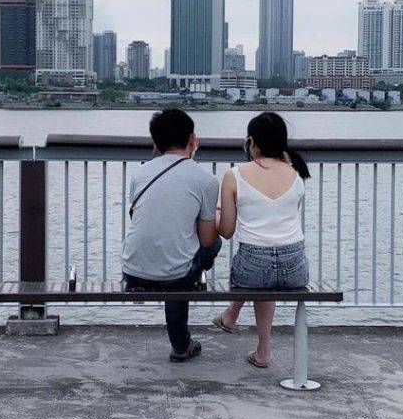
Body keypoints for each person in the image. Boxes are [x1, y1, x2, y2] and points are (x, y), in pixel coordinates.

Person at [212, 112, 310, 368]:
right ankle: (260, 348)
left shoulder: (235, 175)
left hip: (254, 266)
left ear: (251, 142)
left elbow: (227, 231)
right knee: (266, 262)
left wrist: (218, 213)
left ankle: (234, 317)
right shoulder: (297, 174)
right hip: (295, 266)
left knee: (256, 264)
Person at [121, 108, 221, 362]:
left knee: (174, 253)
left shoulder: (139, 174)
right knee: (202, 249)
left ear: (155, 144)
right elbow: (208, 240)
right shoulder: (205, 179)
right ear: (193, 140)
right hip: (175, 276)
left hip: (132, 271)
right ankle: (181, 345)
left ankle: (181, 343)